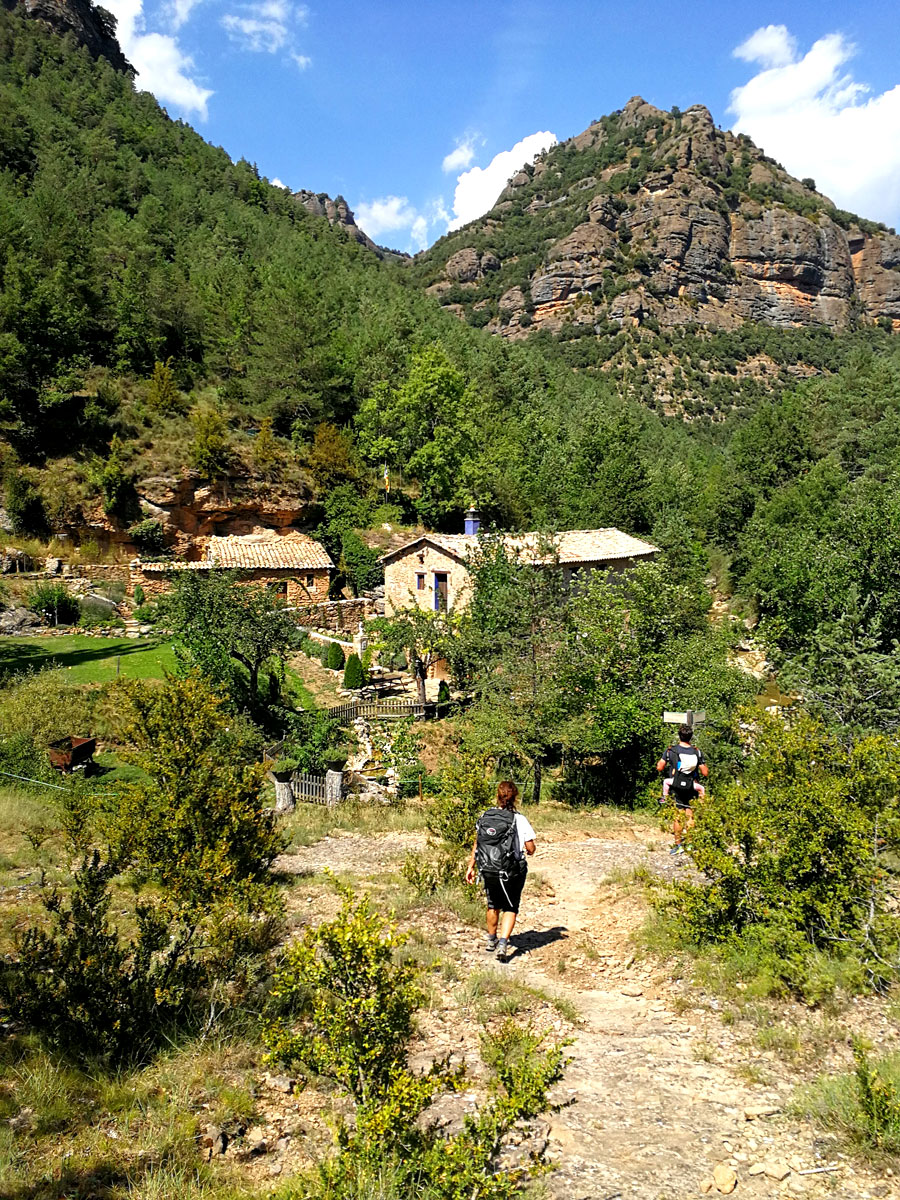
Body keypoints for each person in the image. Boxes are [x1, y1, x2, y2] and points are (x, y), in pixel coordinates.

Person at [465, 780, 536, 962]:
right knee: (511, 906)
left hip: (488, 867)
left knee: (492, 903)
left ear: (497, 796)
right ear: (516, 797)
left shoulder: (485, 816)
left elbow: (477, 843)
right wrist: (528, 849)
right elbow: (530, 848)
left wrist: (471, 866)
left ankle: (491, 940)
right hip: (512, 869)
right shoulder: (519, 819)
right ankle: (504, 943)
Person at [656, 723, 708, 854]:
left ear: (679, 736)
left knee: (678, 816)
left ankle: (678, 845)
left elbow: (659, 767)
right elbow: (705, 772)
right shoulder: (697, 752)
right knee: (690, 815)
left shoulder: (671, 751)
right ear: (691, 737)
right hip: (691, 786)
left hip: (676, 787)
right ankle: (690, 844)